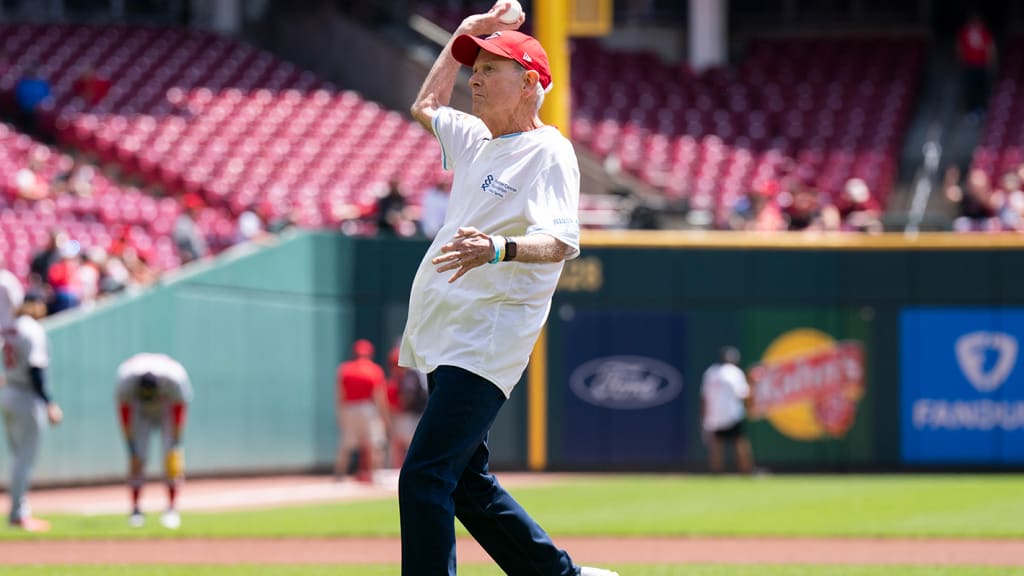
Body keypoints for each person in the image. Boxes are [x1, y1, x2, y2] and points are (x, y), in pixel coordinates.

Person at [399, 4, 616, 575]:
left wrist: (497, 249)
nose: (474, 78)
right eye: (475, 68)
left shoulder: (549, 150)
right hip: (449, 330)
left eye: (490, 68)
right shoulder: (475, 140)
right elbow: (423, 105)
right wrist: (463, 34)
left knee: (424, 475)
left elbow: (562, 242)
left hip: (489, 334)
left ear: (530, 84)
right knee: (467, 483)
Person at [1, 291, 63, 531]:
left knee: (18, 457)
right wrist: (49, 402)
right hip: (26, 396)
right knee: (24, 459)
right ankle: (18, 513)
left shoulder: (10, 327)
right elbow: (36, 370)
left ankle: (17, 511)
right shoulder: (33, 329)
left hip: (9, 392)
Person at [115, 352, 193, 529]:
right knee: (138, 457)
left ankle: (172, 509)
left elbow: (180, 410)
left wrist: (176, 444)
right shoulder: (126, 379)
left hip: (167, 408)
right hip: (139, 410)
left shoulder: (175, 377)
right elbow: (124, 414)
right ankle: (135, 510)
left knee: (171, 457)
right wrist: (131, 449)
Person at [334, 339, 389, 482]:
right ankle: (375, 475)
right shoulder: (374, 369)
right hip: (368, 408)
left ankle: (339, 476)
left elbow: (340, 395)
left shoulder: (345, 369)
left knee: (346, 445)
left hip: (349, 408)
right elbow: (379, 396)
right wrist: (384, 417)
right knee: (375, 443)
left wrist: (341, 414)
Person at [701, 346, 755, 475]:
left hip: (714, 415)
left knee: (717, 445)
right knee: (740, 443)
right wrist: (753, 383)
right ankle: (747, 471)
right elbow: (743, 394)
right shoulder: (734, 372)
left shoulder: (711, 372)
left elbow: (704, 397)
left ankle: (716, 472)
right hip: (732, 414)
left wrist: (704, 416)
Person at [385, 344, 427, 468]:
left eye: (395, 364)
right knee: (402, 444)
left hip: (412, 415)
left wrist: (397, 408)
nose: (393, 367)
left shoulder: (410, 374)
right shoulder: (410, 373)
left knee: (406, 444)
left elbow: (408, 398)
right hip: (412, 414)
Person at [956, 11, 996, 119]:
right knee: (970, 88)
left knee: (981, 87)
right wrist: (963, 61)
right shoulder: (965, 32)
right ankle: (971, 110)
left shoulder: (984, 32)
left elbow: (990, 47)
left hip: (981, 64)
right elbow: (960, 46)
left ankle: (981, 109)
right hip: (970, 64)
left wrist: (990, 62)